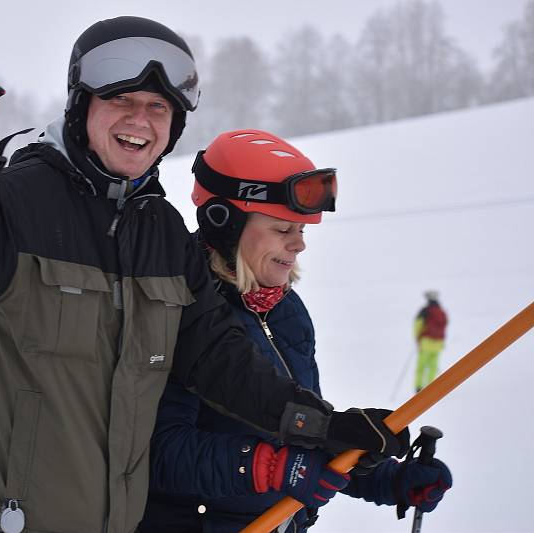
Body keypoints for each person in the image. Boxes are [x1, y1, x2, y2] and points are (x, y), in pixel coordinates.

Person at [0, 16, 407, 533]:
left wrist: (319, 426)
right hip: (9, 517)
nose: (141, 120)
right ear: (83, 105)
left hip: (117, 520)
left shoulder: (162, 231)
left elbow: (220, 359)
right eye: (121, 101)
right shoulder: (18, 198)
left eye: (158, 107)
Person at [140, 130, 452, 532]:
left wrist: (384, 478)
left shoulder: (286, 310)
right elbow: (162, 454)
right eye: (282, 230)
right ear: (224, 225)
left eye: (302, 231)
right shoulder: (179, 310)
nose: (299, 245)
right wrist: (274, 468)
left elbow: (300, 437)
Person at [414, 290, 448, 392]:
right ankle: (431, 387)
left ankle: (419, 387)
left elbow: (418, 325)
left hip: (426, 342)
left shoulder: (424, 311)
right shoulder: (441, 311)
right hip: (438, 343)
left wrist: (418, 338)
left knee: (421, 366)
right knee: (433, 366)